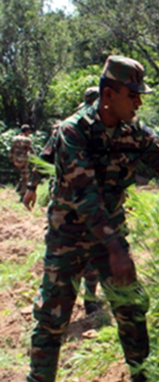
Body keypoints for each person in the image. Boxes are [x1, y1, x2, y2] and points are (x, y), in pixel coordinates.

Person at [26, 55, 159, 382]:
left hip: (109, 235)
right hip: (70, 234)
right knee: (53, 315)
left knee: (132, 308)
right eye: (134, 95)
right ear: (108, 95)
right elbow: (86, 197)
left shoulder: (135, 132)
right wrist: (116, 251)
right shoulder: (72, 131)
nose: (140, 102)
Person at [23, 87, 103, 317]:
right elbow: (45, 157)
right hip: (75, 204)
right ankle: (79, 302)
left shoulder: (75, 127)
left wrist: (31, 187)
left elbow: (43, 158)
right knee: (84, 253)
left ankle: (77, 303)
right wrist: (31, 187)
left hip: (72, 204)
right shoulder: (72, 128)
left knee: (68, 254)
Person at [8, 124, 34, 201]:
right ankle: (23, 194)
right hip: (23, 161)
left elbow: (11, 150)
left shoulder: (14, 139)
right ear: (27, 131)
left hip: (15, 160)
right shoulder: (28, 140)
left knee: (22, 175)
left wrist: (11, 159)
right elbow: (31, 150)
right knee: (26, 177)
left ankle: (19, 188)